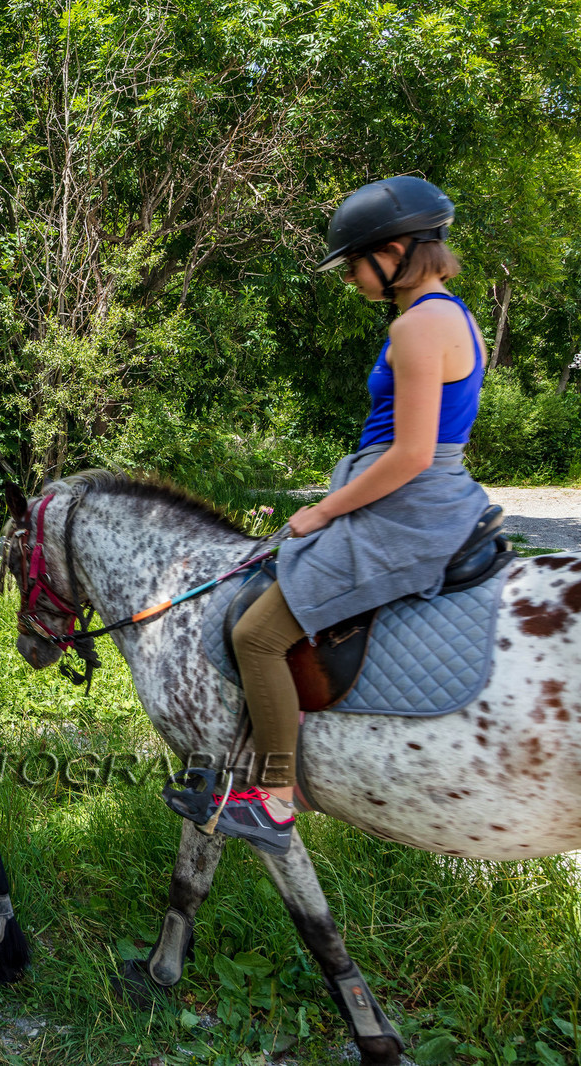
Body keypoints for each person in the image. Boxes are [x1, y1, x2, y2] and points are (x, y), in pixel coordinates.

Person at [216, 176, 490, 853]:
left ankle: (275, 800)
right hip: (411, 495)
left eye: (354, 263)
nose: (350, 279)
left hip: (404, 504)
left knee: (255, 635)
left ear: (394, 251)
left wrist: (321, 512)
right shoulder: (451, 314)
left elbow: (413, 454)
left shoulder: (419, 325)